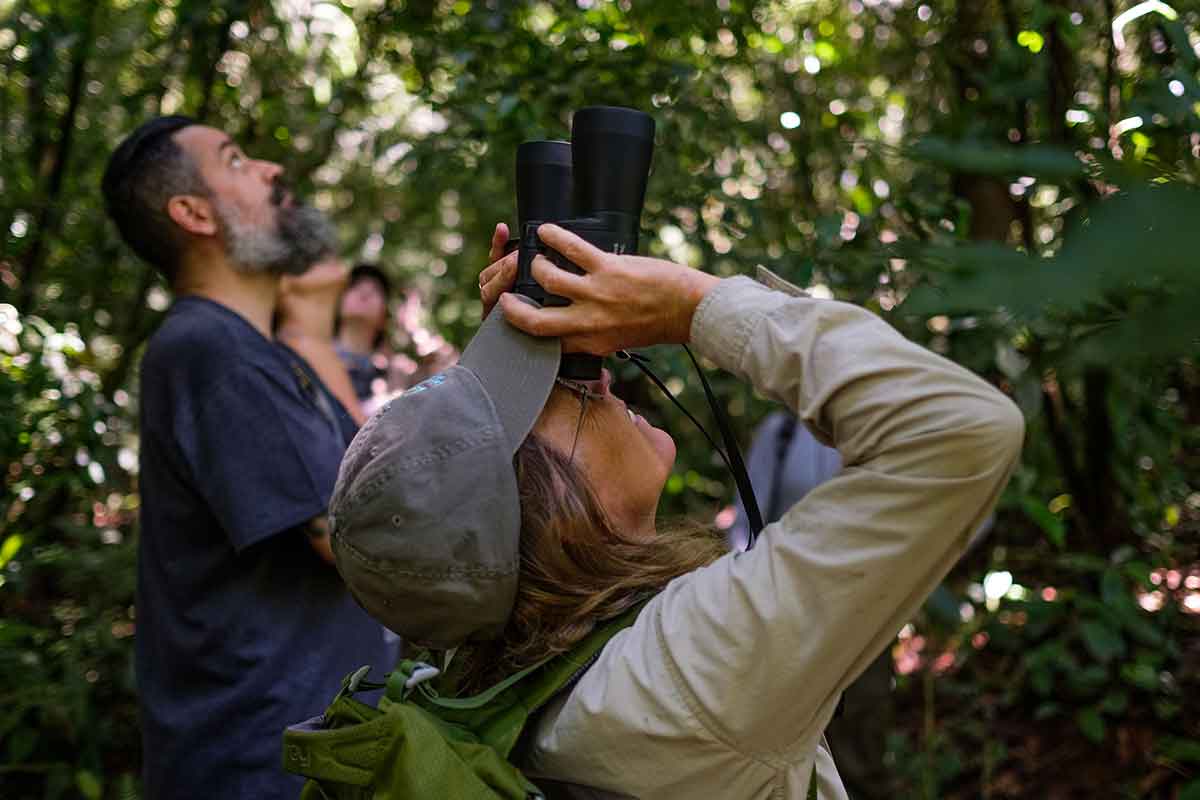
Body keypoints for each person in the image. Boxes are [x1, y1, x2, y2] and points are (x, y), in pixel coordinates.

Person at [327, 223, 1024, 798]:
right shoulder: (682, 678)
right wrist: (697, 308)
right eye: (554, 395)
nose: (595, 374)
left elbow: (450, 530)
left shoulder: (483, 655)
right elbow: (960, 430)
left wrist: (522, 336)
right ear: (546, 510)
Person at [101, 116, 397, 799]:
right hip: (257, 764)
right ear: (192, 213)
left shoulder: (244, 350)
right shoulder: (212, 349)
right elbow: (358, 539)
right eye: (236, 160)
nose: (269, 170)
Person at [335, 263, 392, 404]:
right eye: (355, 286)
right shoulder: (309, 360)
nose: (365, 293)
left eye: (376, 290)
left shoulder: (391, 375)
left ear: (384, 315)